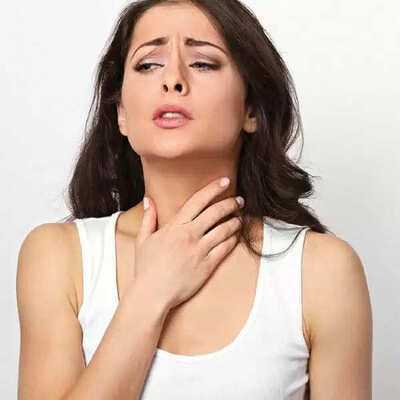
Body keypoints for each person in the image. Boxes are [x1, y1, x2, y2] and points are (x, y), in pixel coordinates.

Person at [16, 0, 373, 399]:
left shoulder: (322, 271)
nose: (173, 79)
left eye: (203, 63)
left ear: (251, 109)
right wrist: (151, 293)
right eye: (148, 65)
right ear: (121, 114)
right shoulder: (59, 258)